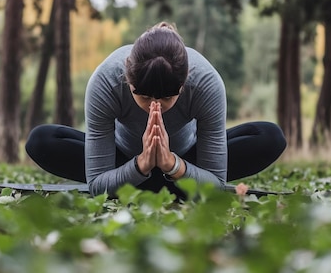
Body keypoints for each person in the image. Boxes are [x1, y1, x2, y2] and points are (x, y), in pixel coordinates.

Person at [25, 22, 286, 198]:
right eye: (145, 97)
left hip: (187, 161)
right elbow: (96, 183)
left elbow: (217, 182)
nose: (155, 107)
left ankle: (155, 184)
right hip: (122, 161)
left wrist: (172, 164)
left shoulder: (205, 82)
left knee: (269, 137)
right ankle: (155, 183)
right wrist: (141, 164)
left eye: (166, 99)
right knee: (42, 140)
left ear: (183, 86)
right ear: (129, 82)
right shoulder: (106, 80)